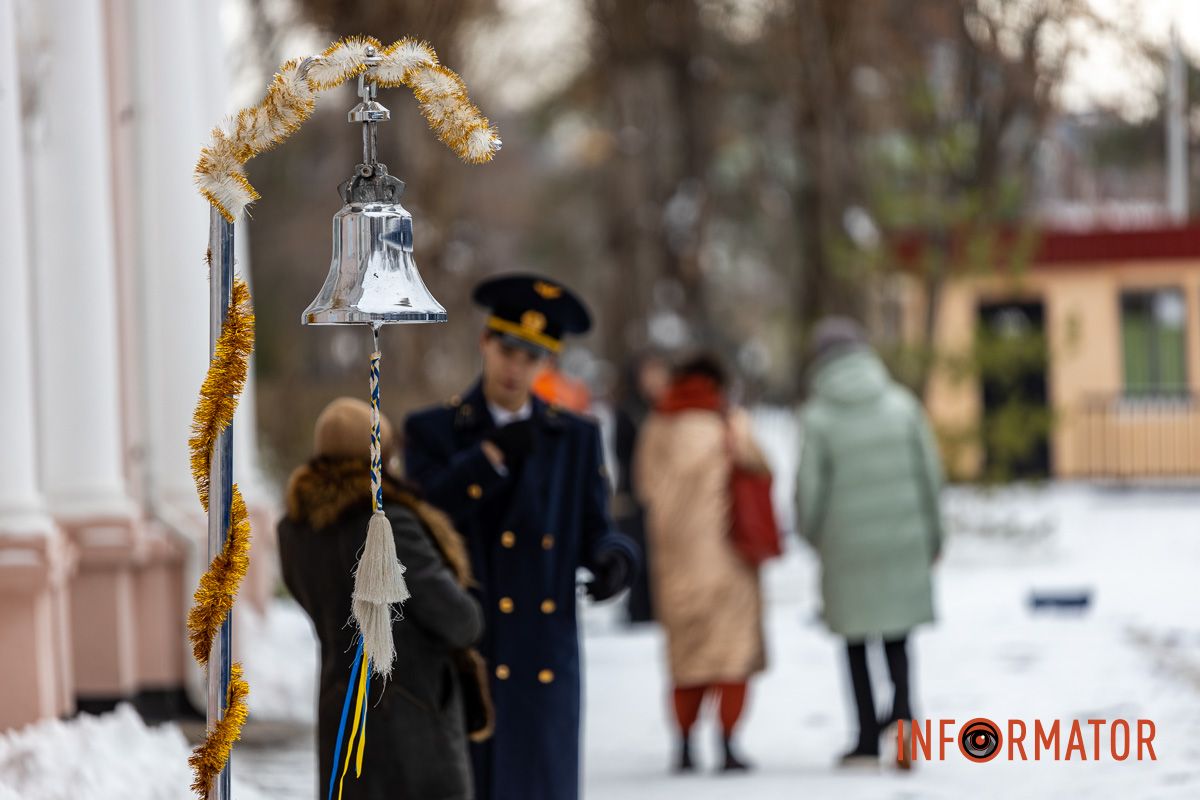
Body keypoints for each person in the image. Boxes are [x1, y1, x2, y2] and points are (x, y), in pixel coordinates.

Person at [403, 273, 640, 800]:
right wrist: (487, 460)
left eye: (532, 357)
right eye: (508, 349)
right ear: (486, 343)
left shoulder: (575, 437)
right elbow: (420, 522)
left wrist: (613, 558)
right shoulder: (434, 430)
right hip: (469, 651)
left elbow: (593, 526)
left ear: (546, 364)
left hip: (542, 659)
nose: (517, 367)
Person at [278, 398, 492, 800]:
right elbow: (461, 620)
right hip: (411, 721)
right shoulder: (387, 527)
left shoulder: (295, 530)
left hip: (342, 711)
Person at [794, 317, 944, 770]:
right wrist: (935, 536)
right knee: (898, 639)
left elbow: (808, 490)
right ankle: (903, 728)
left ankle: (863, 737)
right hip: (904, 539)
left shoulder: (818, 418)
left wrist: (813, 534)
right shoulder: (902, 405)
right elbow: (931, 478)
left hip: (847, 548)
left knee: (855, 642)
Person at [634, 353, 769, 773]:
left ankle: (685, 745)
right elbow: (762, 468)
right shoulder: (729, 423)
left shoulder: (655, 427)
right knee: (731, 655)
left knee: (685, 656)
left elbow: (641, 486)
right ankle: (728, 744)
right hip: (728, 559)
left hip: (672, 560)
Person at [613, 351, 671, 624]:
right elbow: (623, 453)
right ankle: (640, 610)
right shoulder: (628, 410)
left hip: (664, 493)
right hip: (634, 495)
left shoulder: (667, 410)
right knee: (640, 552)